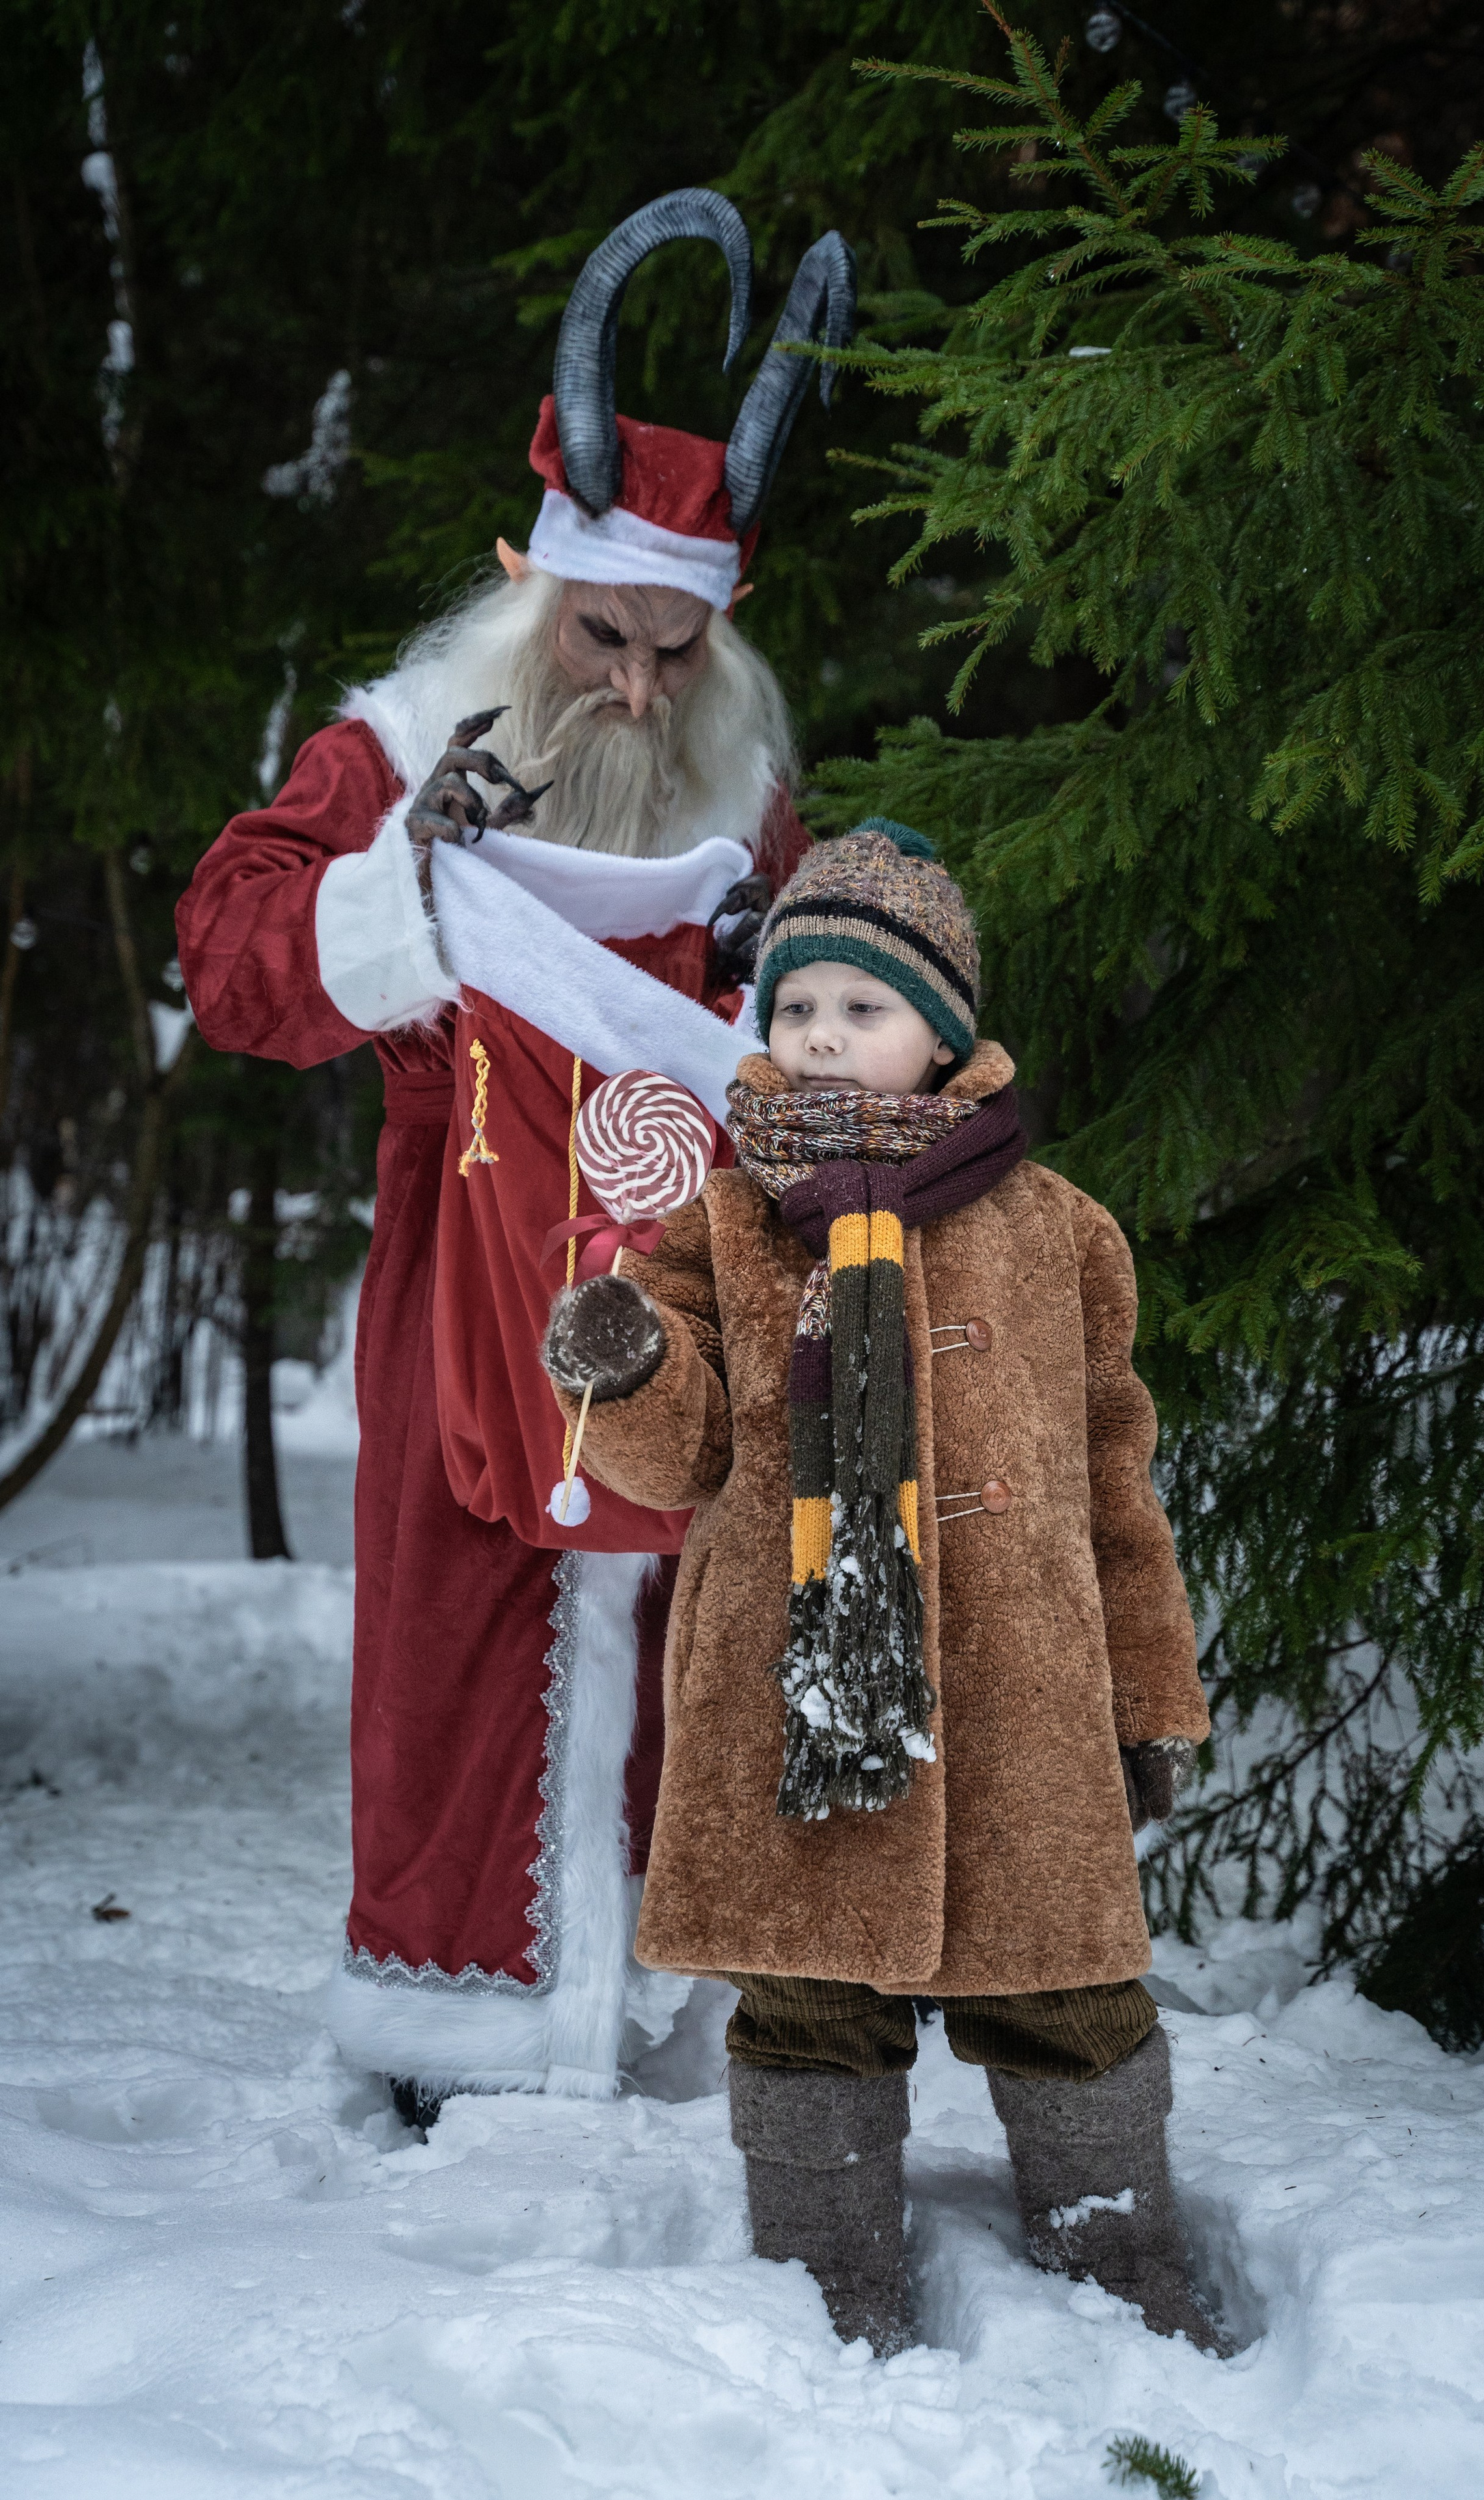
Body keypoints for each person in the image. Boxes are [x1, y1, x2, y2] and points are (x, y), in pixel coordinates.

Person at [174, 192, 854, 2119]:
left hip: (677, 1303)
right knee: (461, 1649)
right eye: (604, 637)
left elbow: (818, 1011)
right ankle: (452, 2042)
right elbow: (232, 960)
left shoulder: (746, 788)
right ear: (532, 583)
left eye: (674, 649)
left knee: (682, 1660)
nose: (635, 688)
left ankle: (658, 2026)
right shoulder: (401, 747)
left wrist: (776, 984)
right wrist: (400, 887)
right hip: (457, 1292)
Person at [542, 822, 1215, 2354]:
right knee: (805, 2010)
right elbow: (676, 1453)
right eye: (794, 1009)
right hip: (798, 1706)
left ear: (942, 1035)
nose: (822, 1036)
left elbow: (1116, 1482)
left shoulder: (1060, 1232)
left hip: (1017, 1704)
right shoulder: (717, 1220)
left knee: (1074, 2001)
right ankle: (826, 2289)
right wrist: (627, 1362)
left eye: (862, 1006)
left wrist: (1147, 1693)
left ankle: (1122, 2272)